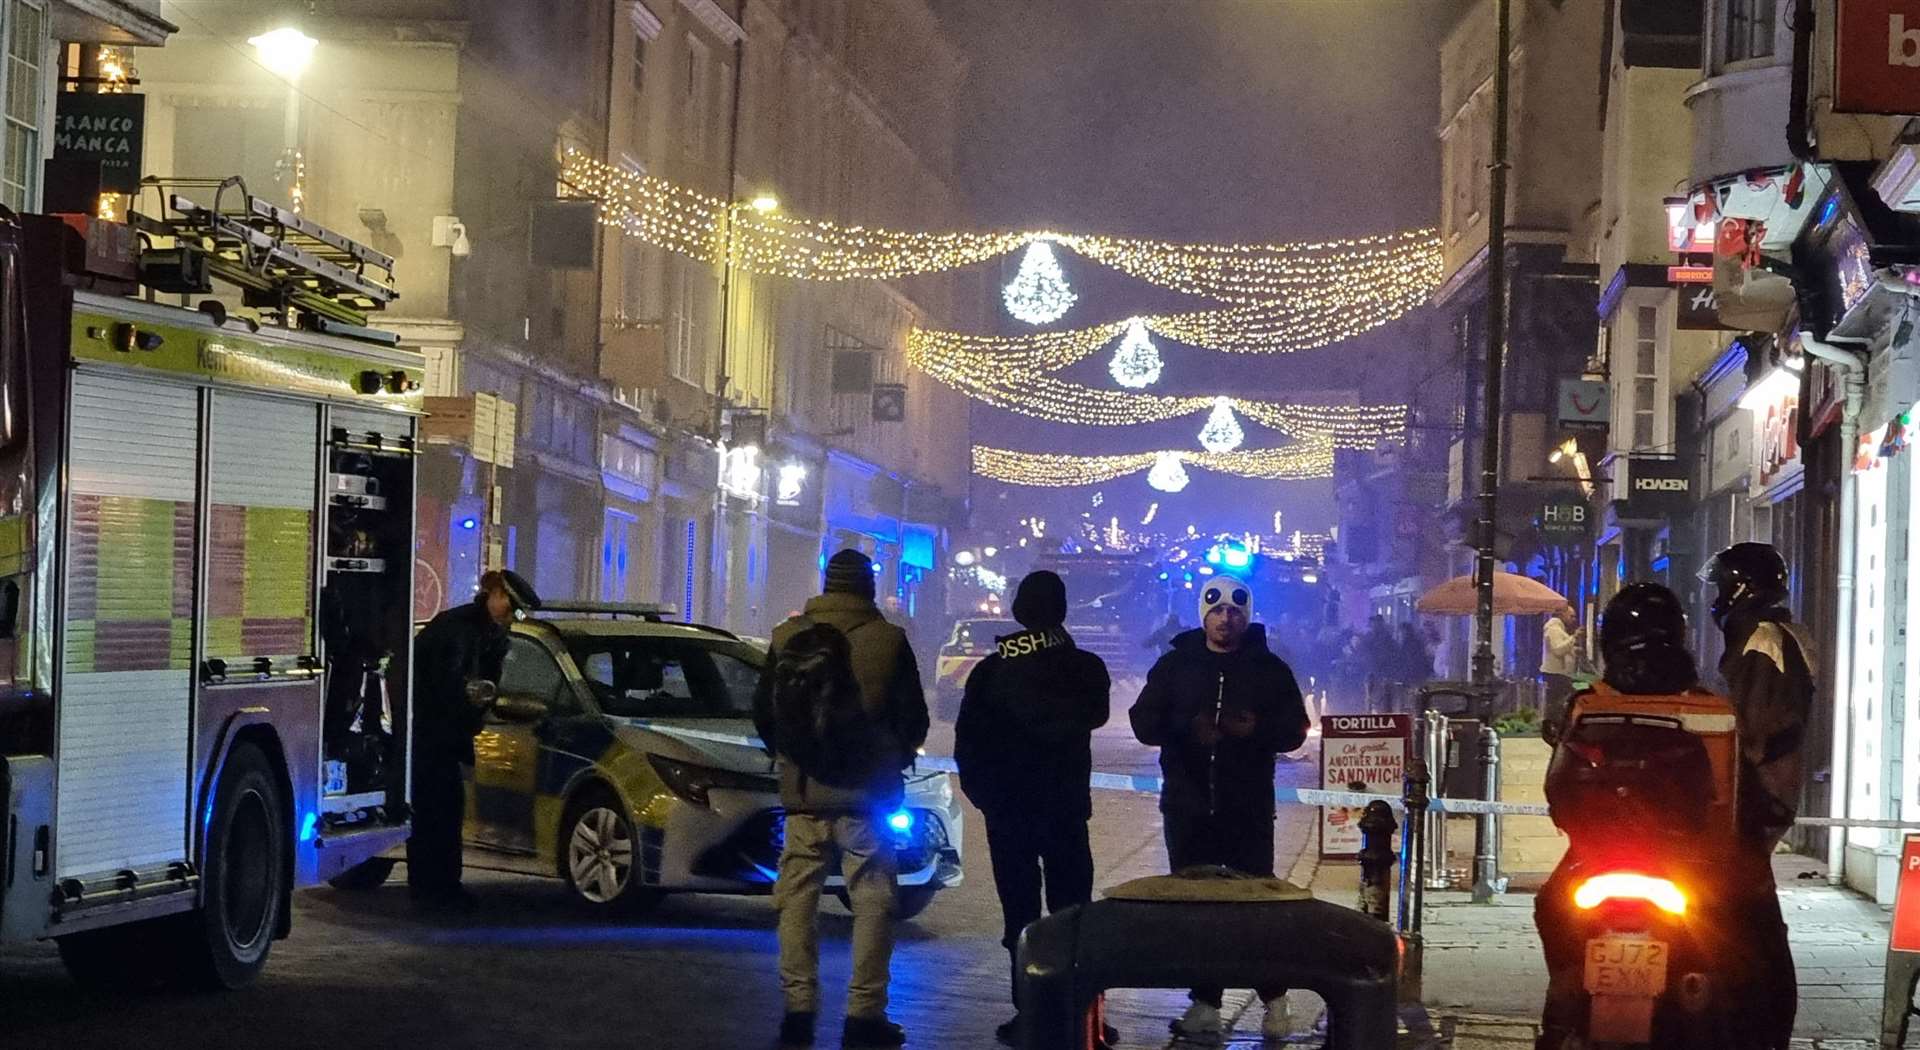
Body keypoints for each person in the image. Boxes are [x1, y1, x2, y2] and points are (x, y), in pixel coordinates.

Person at [754, 549, 929, 1050]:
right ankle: (864, 1015)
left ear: (827, 583)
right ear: (868, 588)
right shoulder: (890, 641)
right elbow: (912, 718)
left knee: (796, 901)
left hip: (804, 796)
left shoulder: (786, 637)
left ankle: (798, 1011)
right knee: (874, 900)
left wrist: (793, 760)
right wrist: (889, 760)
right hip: (867, 797)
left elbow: (764, 713)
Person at [1128, 575, 1311, 1040]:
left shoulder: (1269, 670)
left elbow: (1294, 730)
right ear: (1202, 615)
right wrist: (1188, 728)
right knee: (1197, 909)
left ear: (1246, 616)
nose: (1226, 619)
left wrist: (1257, 730)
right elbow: (1143, 721)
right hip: (1188, 808)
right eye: (1217, 611)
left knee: (1254, 907)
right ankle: (1205, 1002)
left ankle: (1275, 1001)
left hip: (1246, 808)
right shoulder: (1175, 666)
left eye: (1235, 611)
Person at [954, 571, 1113, 1046]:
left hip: (1009, 813)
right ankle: (1078, 1015)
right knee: (1072, 917)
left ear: (1018, 611)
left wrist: (987, 798)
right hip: (1063, 810)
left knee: (1019, 919)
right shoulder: (1084, 668)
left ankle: (1028, 1013)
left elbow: (968, 745)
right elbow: (1096, 715)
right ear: (1062, 611)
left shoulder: (991, 671)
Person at [1702, 542, 1810, 1049]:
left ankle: (1761, 1020)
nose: (1717, 596)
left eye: (1722, 584)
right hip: (1763, 787)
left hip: (1756, 791)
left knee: (1748, 908)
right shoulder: (1772, 632)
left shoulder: (1763, 638)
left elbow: (1752, 728)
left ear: (1740, 587)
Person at [407, 569, 538, 911]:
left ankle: (440, 887)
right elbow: (445, 686)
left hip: (448, 736)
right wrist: (464, 708)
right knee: (433, 813)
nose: (511, 618)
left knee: (446, 812)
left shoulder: (490, 634)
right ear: (495, 594)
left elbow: (485, 685)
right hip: (430, 734)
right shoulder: (457, 630)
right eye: (510, 608)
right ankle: (431, 889)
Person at [1539, 603, 1579, 739]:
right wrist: (1574, 638)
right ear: (1562, 614)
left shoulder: (1559, 629)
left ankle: (1555, 725)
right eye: (1571, 616)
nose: (1574, 619)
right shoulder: (1554, 629)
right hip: (1556, 673)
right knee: (1561, 700)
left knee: (1558, 700)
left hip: (1560, 672)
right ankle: (1554, 726)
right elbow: (1558, 649)